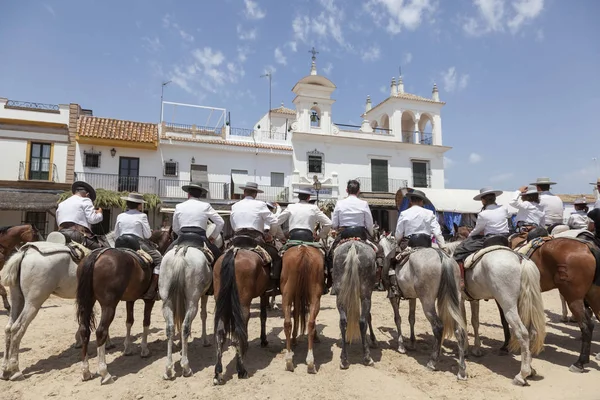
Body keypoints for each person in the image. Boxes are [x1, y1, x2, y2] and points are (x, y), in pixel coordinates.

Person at [391, 190, 446, 298]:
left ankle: (394, 287)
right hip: (426, 244)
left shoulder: (404, 213)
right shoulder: (429, 213)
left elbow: (398, 234)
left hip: (408, 244)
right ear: (422, 201)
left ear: (411, 201)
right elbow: (437, 232)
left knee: (390, 262)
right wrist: (443, 246)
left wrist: (395, 244)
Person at [453, 187, 510, 288]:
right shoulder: (504, 208)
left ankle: (461, 279)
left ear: (483, 200)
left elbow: (477, 230)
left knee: (459, 250)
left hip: (490, 239)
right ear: (494, 199)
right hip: (505, 238)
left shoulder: (483, 214)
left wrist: (469, 236)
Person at [327, 180, 374, 295]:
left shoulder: (339, 203)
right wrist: (371, 235)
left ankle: (333, 281)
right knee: (380, 253)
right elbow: (369, 223)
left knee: (328, 255)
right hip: (360, 233)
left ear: (347, 190)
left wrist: (337, 227)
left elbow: (334, 224)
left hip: (344, 234)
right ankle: (376, 279)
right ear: (359, 191)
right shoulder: (364, 204)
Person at [114, 193, 163, 300]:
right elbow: (147, 235)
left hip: (120, 243)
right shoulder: (142, 216)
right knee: (159, 260)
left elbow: (116, 234)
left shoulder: (120, 216)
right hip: (136, 243)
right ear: (139, 205)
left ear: (127, 204)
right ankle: (152, 290)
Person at [230, 182, 280, 280]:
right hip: (255, 239)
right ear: (255, 194)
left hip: (237, 238)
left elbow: (233, 224)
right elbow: (274, 221)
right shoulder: (260, 205)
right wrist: (271, 235)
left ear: (244, 192)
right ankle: (273, 280)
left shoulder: (235, 205)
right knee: (276, 257)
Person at [169, 182, 224, 263]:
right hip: (200, 237)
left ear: (188, 194)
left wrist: (180, 234)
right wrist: (212, 237)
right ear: (200, 194)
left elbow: (175, 228)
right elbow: (220, 222)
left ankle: (158, 271)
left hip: (183, 237)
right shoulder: (206, 206)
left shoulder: (179, 206)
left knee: (165, 255)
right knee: (220, 261)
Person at [56, 181, 104, 249]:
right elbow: (92, 219)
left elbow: (59, 221)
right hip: (77, 234)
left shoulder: (62, 203)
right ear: (87, 195)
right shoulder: (85, 200)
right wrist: (99, 214)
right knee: (102, 250)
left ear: (74, 193)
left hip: (61, 233)